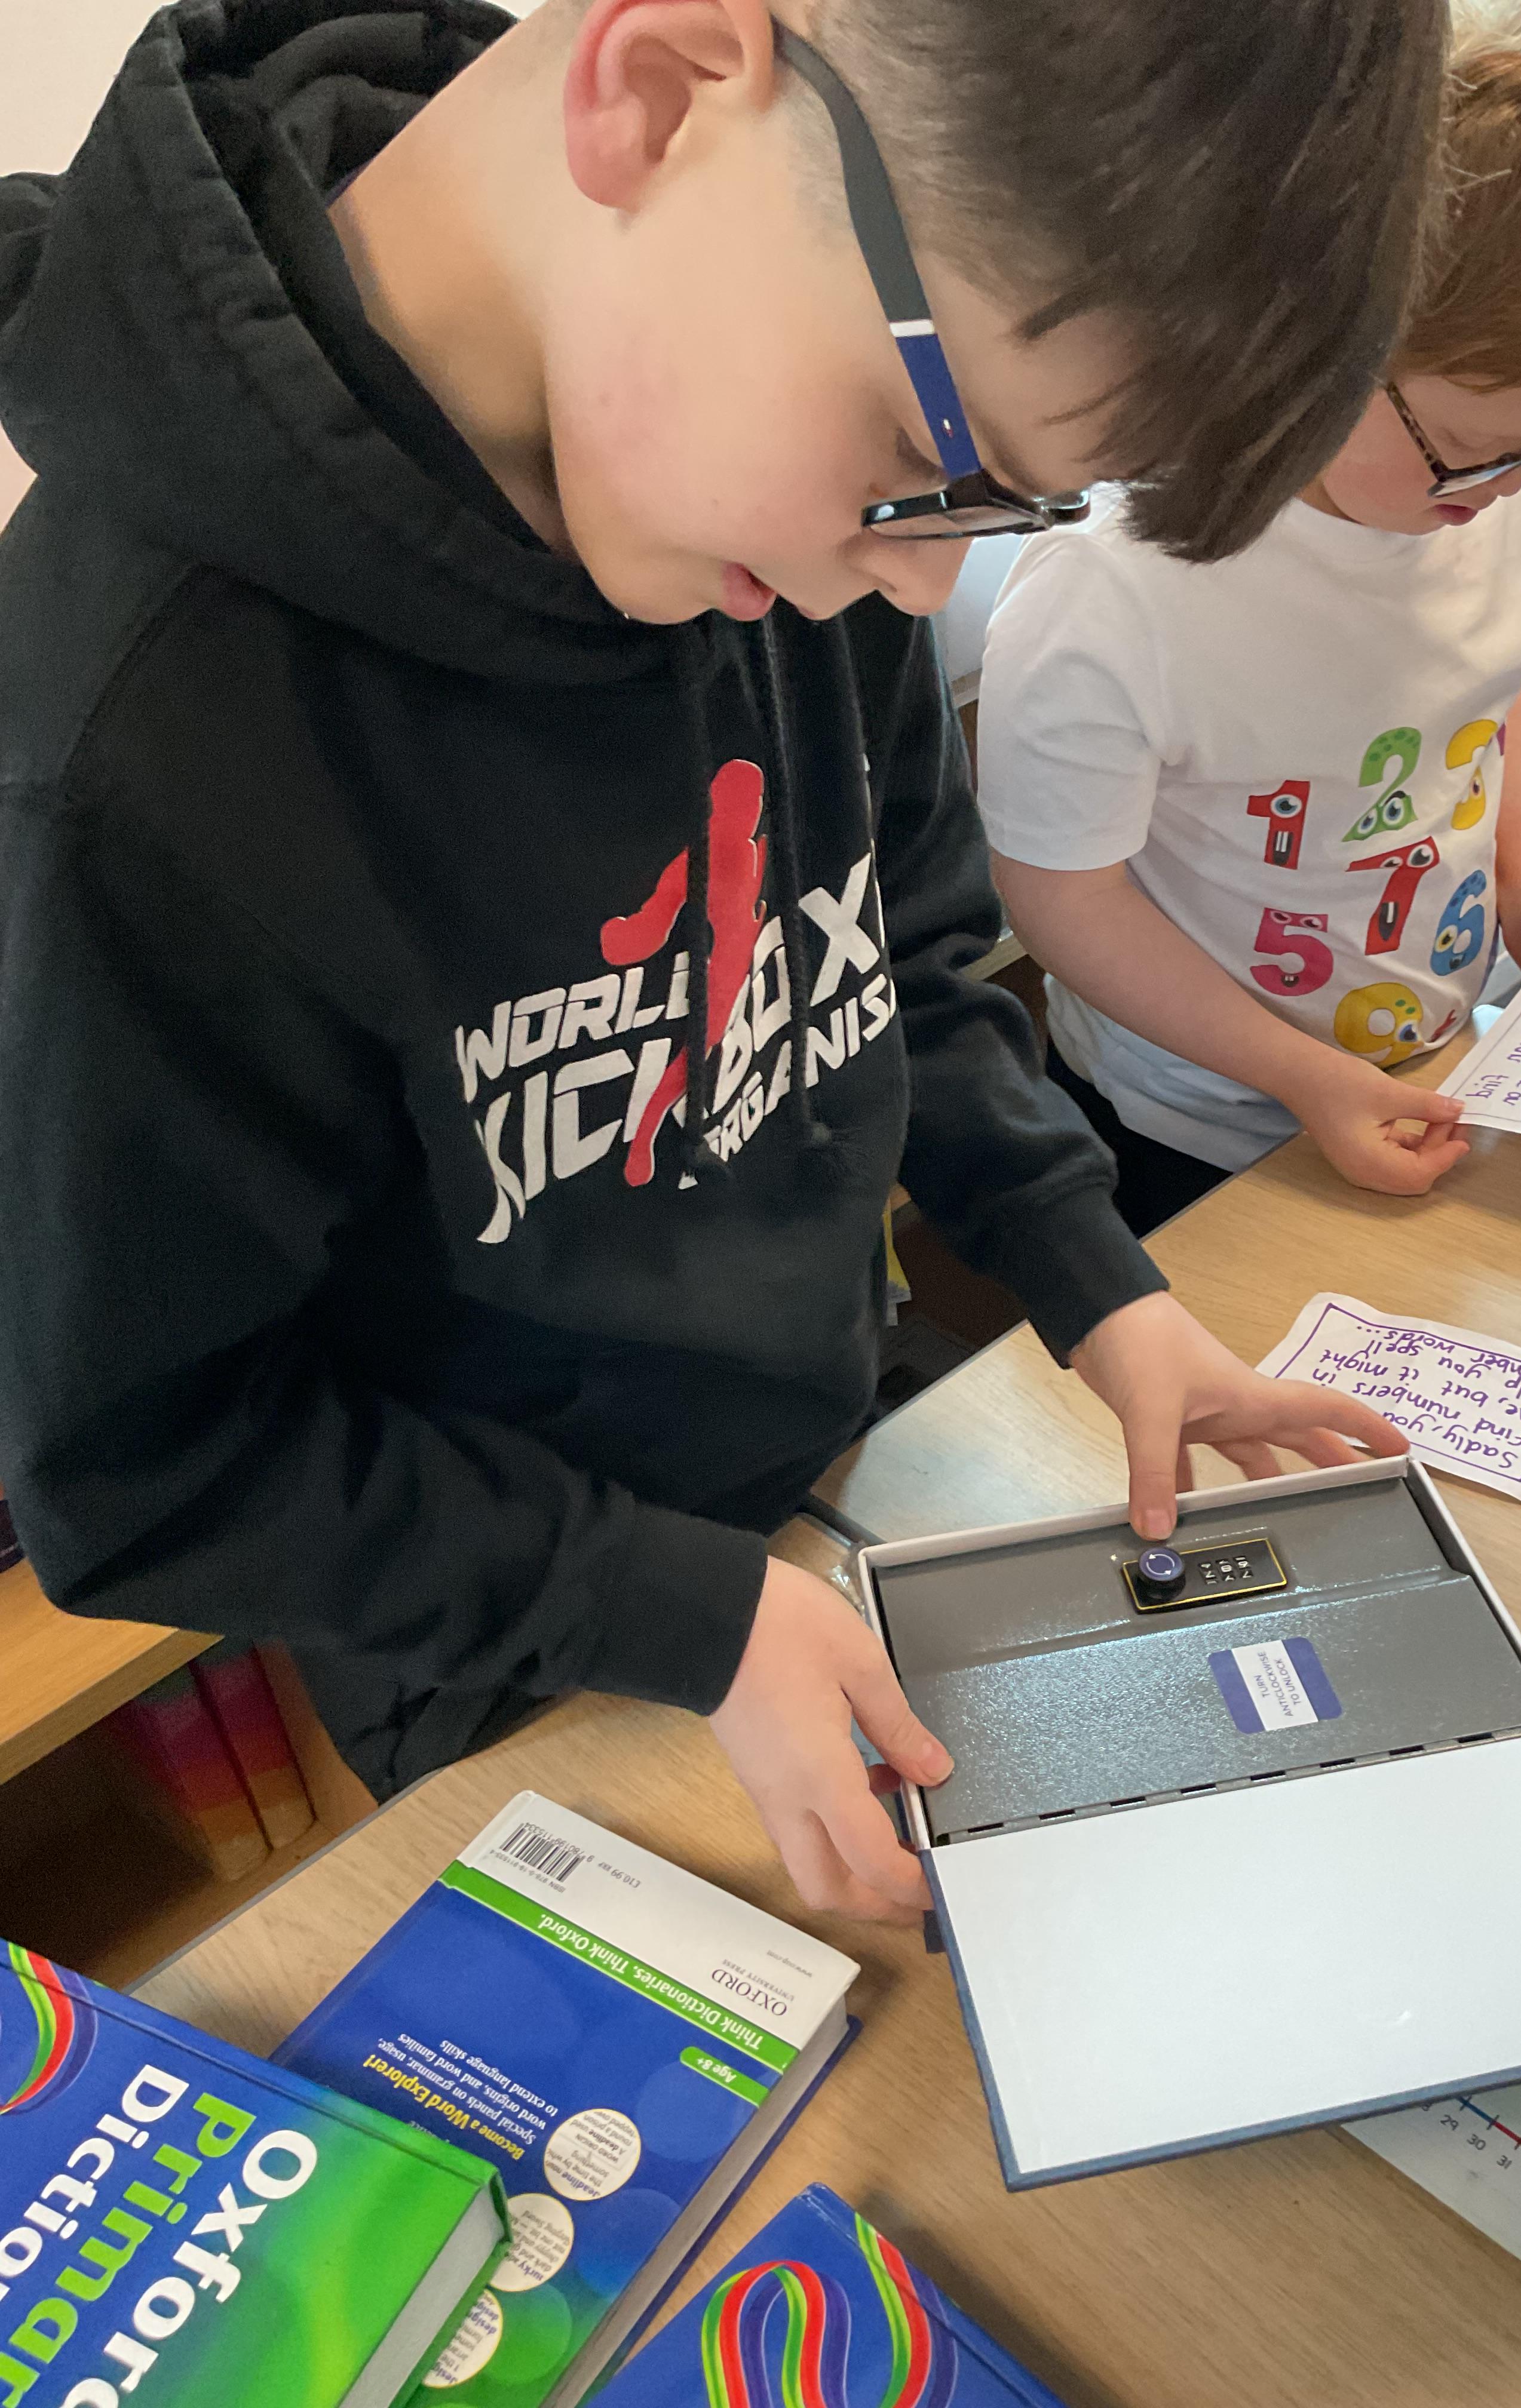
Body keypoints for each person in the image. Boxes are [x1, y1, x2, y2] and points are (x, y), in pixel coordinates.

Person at [0, 0, 1442, 1924]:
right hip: (519, 1659)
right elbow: (146, 1468)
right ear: (663, 92)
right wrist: (689, 1617)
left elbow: (902, 950)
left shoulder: (761, 501)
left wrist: (1101, 1286)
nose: (922, 580)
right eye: (935, 455)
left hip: (822, 1495)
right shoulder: (144, 744)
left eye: (1009, 509)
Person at [978, 0, 1521, 1239]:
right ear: (1313, 333)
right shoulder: (1119, 588)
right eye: (1468, 446)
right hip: (1191, 1123)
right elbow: (1063, 900)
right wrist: (1297, 1075)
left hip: (1434, 1067)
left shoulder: (1473, 505)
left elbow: (1495, 688)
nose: (1507, 487)